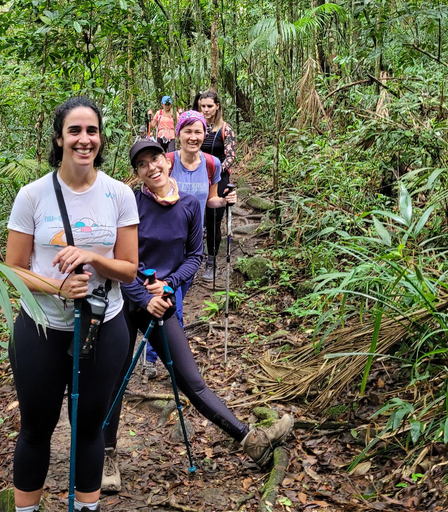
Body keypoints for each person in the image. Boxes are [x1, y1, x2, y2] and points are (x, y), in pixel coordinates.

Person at [101, 138, 294, 492]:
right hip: (128, 302)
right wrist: (146, 296)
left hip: (165, 300)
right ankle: (107, 456)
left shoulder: (190, 205)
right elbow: (121, 261)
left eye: (155, 159)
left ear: (166, 160)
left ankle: (250, 441)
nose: (152, 167)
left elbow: (194, 255)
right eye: (142, 164)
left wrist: (169, 286)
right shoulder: (131, 205)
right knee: (115, 381)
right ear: (138, 173)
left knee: (192, 381)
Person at [5, 96, 139, 512]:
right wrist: (56, 288)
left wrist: (93, 257)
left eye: (92, 131)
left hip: (104, 329)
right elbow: (14, 270)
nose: (85, 139)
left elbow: (129, 270)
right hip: (42, 330)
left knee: (89, 430)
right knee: (35, 431)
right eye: (75, 131)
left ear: (101, 138)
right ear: (59, 139)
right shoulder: (32, 196)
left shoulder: (119, 195)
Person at [139, 110, 237, 377]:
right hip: (162, 244)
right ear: (179, 134)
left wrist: (227, 201)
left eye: (199, 132)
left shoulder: (212, 164)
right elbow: (148, 189)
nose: (193, 137)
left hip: (190, 245)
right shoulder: (166, 160)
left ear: (205, 134)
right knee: (171, 306)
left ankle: (163, 356)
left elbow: (210, 201)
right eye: (188, 131)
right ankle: (161, 360)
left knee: (171, 301)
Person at [193, 90, 238, 281]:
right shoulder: (196, 126)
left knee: (213, 220)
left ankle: (211, 260)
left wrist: (215, 169)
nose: (206, 110)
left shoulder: (225, 129)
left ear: (217, 106)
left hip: (218, 178)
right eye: (202, 106)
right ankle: (192, 258)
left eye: (209, 106)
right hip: (196, 177)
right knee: (191, 217)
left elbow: (230, 155)